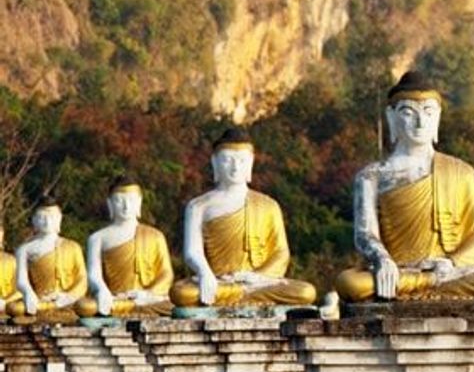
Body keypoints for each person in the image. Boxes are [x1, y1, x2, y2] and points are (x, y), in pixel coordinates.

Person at [335, 72, 474, 302]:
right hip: (399, 270)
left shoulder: (461, 171)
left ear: (438, 118)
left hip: (450, 272)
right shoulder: (372, 176)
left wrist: (451, 262)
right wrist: (383, 260)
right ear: (391, 116)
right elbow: (366, 235)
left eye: (428, 112)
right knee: (350, 284)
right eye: (408, 112)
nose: (419, 121)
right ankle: (423, 284)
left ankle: (424, 285)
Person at [170, 127, 317, 309]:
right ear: (215, 163)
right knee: (181, 294)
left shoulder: (268, 205)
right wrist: (205, 273)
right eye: (228, 160)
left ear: (251, 163)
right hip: (219, 281)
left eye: (241, 160)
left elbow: (281, 253)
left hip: (258, 282)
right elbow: (192, 252)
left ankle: (240, 295)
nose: (235, 167)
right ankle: (240, 295)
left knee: (306, 292)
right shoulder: (199, 205)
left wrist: (258, 277)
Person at [76, 176, 174, 318]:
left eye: (131, 200)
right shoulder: (98, 238)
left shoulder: (155, 235)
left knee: (181, 299)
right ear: (110, 204)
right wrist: (102, 291)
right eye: (119, 200)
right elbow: (93, 275)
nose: (126, 206)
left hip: (149, 301)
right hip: (117, 300)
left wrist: (147, 294)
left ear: (139, 202)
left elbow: (167, 274)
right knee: (86, 307)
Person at [6, 200, 86, 323]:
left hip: (67, 302)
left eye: (52, 217)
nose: (47, 222)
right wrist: (29, 293)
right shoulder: (25, 249)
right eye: (42, 217)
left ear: (59, 219)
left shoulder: (73, 246)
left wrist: (69, 297)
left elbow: (82, 280)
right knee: (15, 308)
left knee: (87, 306)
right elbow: (21, 281)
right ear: (34, 220)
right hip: (39, 301)